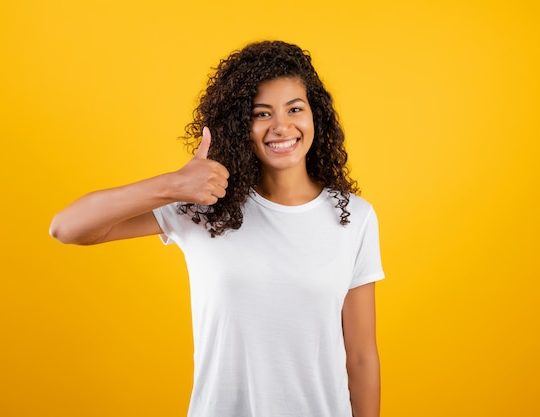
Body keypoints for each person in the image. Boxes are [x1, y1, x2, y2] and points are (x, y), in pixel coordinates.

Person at [50, 40, 384, 417]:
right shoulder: (204, 207)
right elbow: (66, 227)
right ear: (240, 125)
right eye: (262, 114)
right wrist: (172, 185)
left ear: (315, 116)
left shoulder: (353, 217)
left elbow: (360, 357)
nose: (281, 126)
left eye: (295, 109)